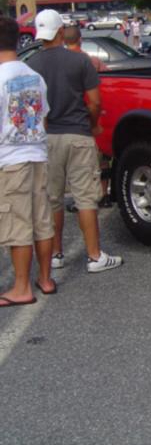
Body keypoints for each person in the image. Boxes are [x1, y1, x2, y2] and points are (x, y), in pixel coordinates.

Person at [26, 10, 122, 273]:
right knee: (85, 198)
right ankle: (94, 256)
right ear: (60, 31)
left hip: (47, 136)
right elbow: (95, 102)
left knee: (52, 198)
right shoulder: (80, 61)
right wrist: (93, 124)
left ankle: (56, 254)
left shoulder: (32, 64)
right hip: (78, 132)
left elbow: (32, 107)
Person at [0, 17, 56, 306]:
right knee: (41, 221)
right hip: (37, 153)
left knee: (18, 224)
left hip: (11, 159)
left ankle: (21, 287)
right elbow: (43, 117)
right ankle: (45, 278)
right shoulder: (34, 76)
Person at [63, 26, 112, 210]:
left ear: (64, 41)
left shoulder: (62, 63)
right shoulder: (93, 61)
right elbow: (107, 82)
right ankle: (104, 194)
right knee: (102, 159)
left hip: (74, 119)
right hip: (95, 116)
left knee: (80, 166)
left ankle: (82, 200)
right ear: (80, 39)